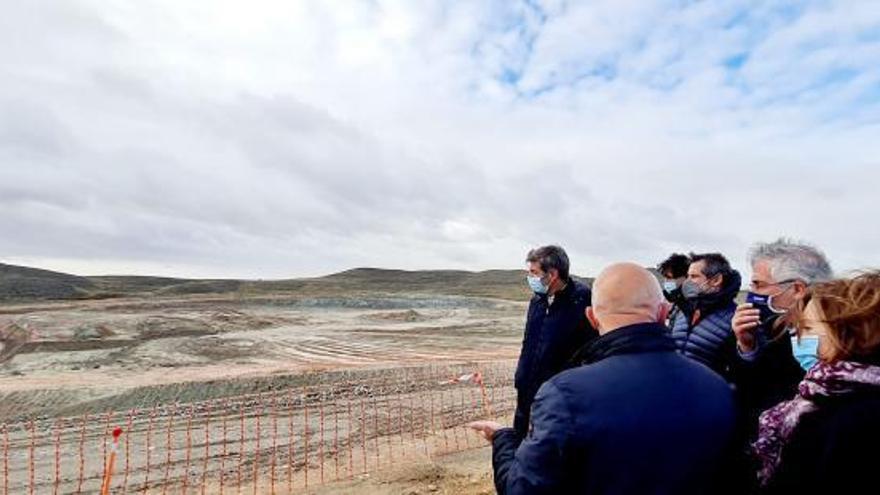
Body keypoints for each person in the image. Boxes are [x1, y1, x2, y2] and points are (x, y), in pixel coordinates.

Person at [469, 263, 739, 494]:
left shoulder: (565, 394)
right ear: (662, 313)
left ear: (592, 317)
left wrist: (503, 440)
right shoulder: (716, 387)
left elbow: (523, 488)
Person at [753, 271, 880, 493]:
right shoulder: (826, 392)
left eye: (809, 329)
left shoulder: (849, 418)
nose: (801, 339)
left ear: (851, 334)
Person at [730, 239, 833, 426]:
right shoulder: (770, 327)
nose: (752, 293)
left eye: (758, 284)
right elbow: (752, 390)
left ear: (797, 289)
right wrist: (747, 346)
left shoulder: (849, 337)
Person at [512, 245, 594, 437]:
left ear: (553, 274)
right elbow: (529, 342)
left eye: (534, 273)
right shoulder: (537, 300)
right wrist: (521, 376)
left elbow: (590, 351)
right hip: (527, 390)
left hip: (560, 395)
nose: (530, 278)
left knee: (549, 447)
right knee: (521, 441)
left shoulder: (582, 301)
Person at [670, 252, 742, 377]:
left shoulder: (735, 318)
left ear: (716, 280)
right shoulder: (681, 310)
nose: (687, 282)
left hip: (708, 392)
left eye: (694, 276)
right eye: (688, 276)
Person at [657, 253, 690, 326]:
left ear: (686, 277)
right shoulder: (678, 305)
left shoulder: (692, 308)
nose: (665, 282)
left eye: (669, 278)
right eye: (665, 278)